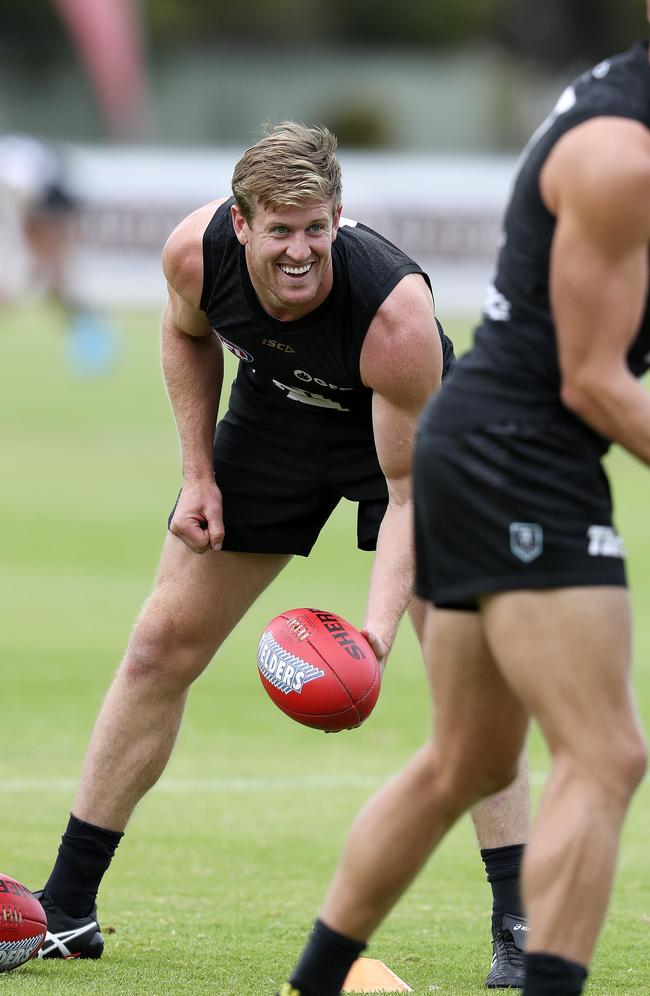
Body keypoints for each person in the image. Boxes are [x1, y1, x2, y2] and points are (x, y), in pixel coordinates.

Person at [35, 121, 528, 985]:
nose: (299, 250)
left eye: (316, 228)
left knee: (469, 676)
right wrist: (197, 475)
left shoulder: (394, 315)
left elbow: (408, 494)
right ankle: (68, 910)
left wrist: (375, 634)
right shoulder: (194, 255)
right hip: (275, 423)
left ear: (338, 216)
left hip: (414, 442)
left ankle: (520, 928)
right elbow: (186, 334)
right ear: (240, 223)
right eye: (280, 230)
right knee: (159, 646)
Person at [281, 27, 650, 996]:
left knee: (469, 759)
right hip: (519, 453)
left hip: (479, 444)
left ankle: (310, 983)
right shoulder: (622, 157)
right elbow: (594, 383)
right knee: (603, 753)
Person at [0, 134, 118, 376]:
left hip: (47, 197)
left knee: (54, 281)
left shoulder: (15, 177)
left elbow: (24, 208)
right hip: (42, 196)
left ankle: (94, 340)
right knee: (51, 284)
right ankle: (92, 338)